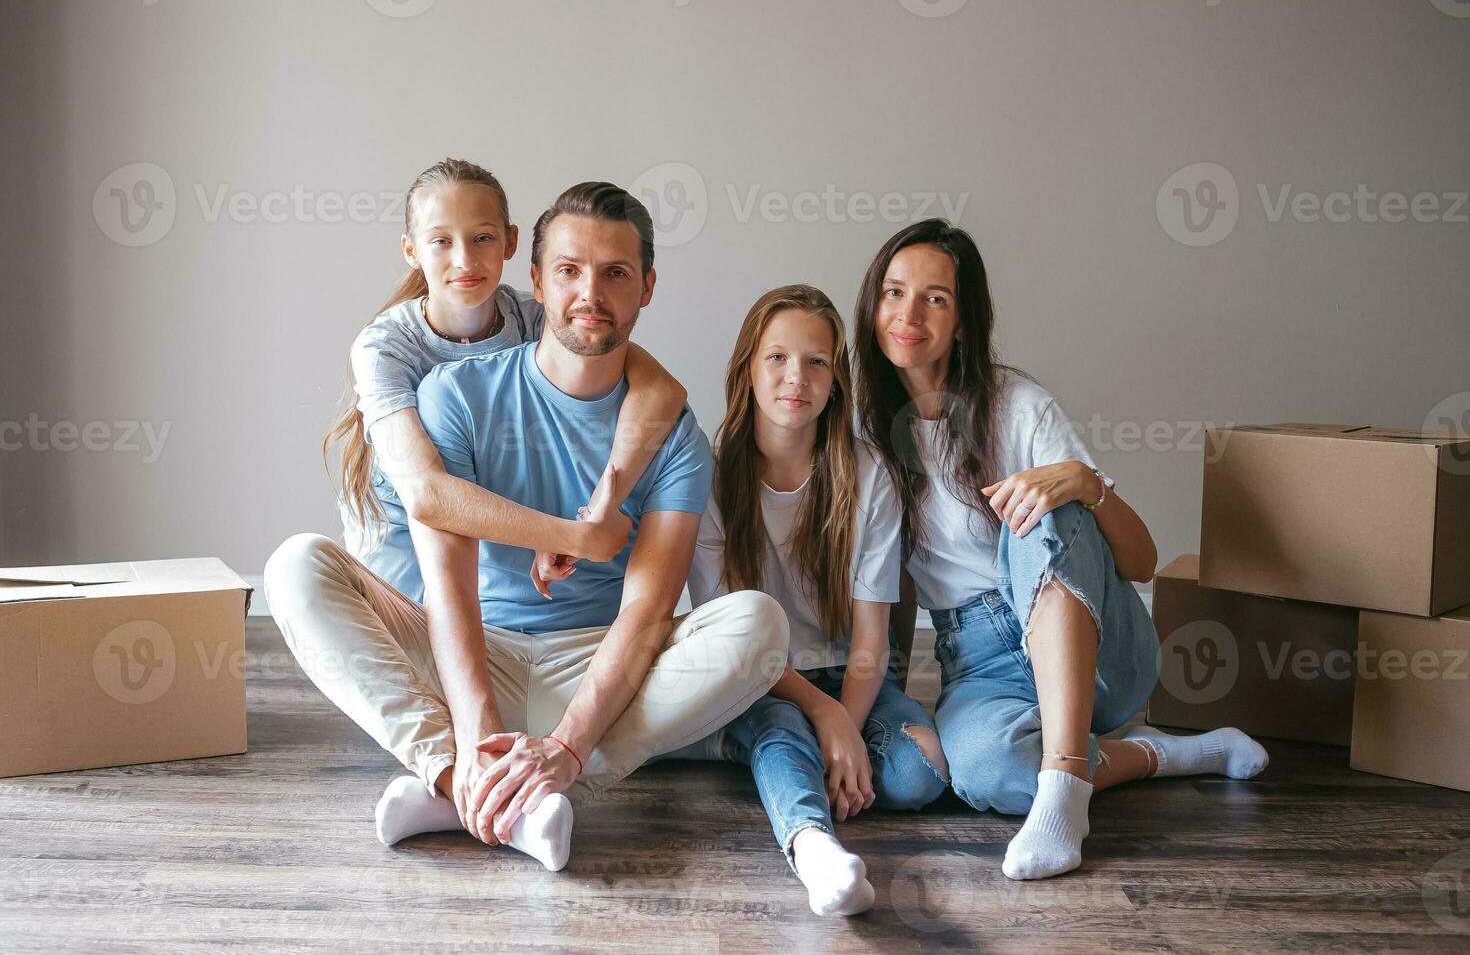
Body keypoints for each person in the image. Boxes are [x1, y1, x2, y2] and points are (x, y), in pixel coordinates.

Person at [264, 181, 789, 872]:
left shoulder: (674, 436)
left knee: (758, 623)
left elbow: (647, 612)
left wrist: (567, 747)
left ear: (647, 287)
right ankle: (464, 778)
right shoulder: (453, 394)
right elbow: (448, 590)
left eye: (616, 274)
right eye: (569, 271)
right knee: (297, 565)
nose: (590, 293)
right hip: (473, 655)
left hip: (594, 663)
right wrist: (478, 728)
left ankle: (535, 777)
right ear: (535, 281)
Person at [851, 219, 1268, 881]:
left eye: (935, 297)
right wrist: (890, 699)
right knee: (984, 772)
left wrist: (1086, 485)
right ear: (873, 305)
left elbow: (1141, 563)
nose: (909, 314)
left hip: (1100, 648)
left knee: (1047, 502)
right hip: (981, 665)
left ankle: (1068, 782)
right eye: (895, 292)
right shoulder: (868, 438)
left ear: (962, 321)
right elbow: (890, 586)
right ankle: (1160, 754)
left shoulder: (1018, 405)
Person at [684, 285, 950, 917]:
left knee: (921, 771)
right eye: (776, 358)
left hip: (848, 674)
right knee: (782, 728)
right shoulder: (712, 478)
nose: (794, 378)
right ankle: (816, 853)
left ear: (837, 379)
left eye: (816, 362)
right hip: (759, 678)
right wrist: (823, 718)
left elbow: (870, 640)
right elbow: (732, 641)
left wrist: (846, 727)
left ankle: (762, 756)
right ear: (747, 369)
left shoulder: (867, 474)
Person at [323, 157, 688, 606]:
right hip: (403, 556)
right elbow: (427, 494)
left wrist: (600, 508)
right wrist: (577, 536)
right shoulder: (385, 348)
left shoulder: (535, 319)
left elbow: (662, 392)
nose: (464, 259)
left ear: (510, 242)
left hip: (497, 550)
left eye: (482, 238)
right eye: (441, 241)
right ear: (411, 250)